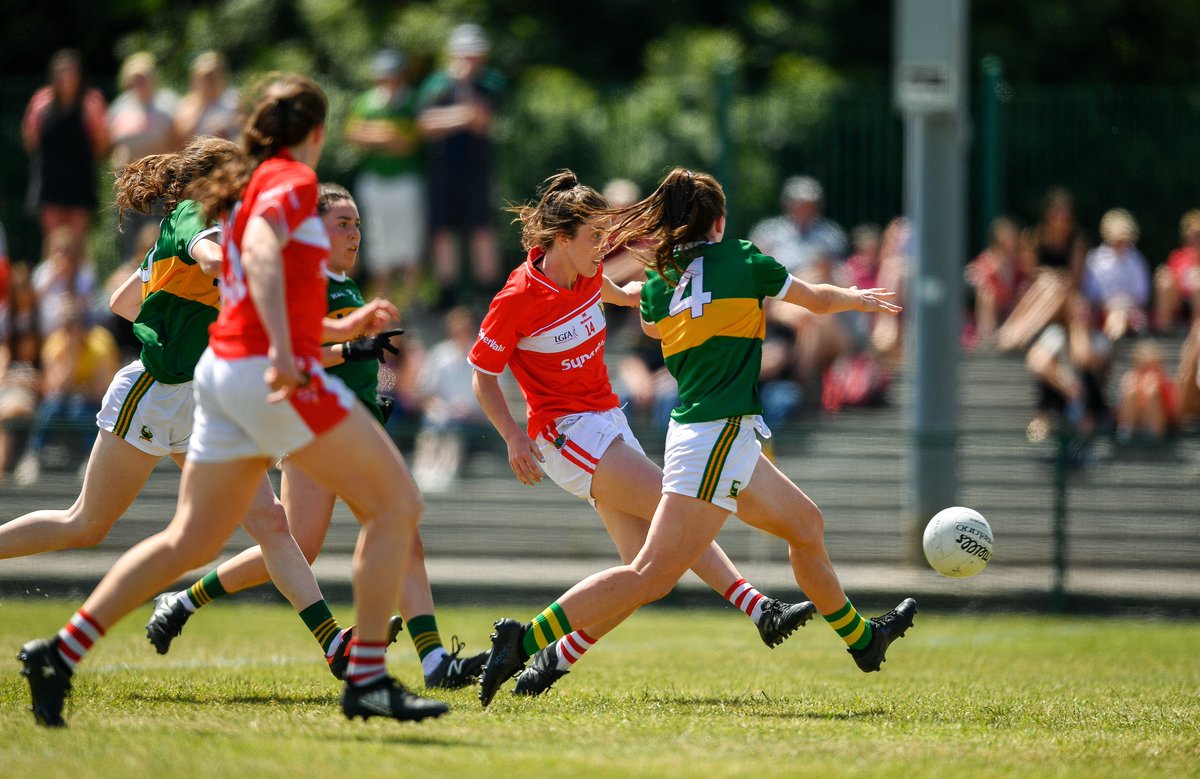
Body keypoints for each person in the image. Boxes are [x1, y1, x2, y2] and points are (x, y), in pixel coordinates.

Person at [17, 75, 448, 727]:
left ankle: (59, 651)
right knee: (396, 504)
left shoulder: (253, 191)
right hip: (244, 375)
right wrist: (289, 347)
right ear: (316, 133)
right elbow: (256, 273)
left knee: (194, 540)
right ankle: (365, 676)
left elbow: (250, 287)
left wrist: (334, 330)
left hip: (219, 375)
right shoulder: (290, 183)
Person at [478, 168, 916, 706]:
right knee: (650, 574)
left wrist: (667, 285)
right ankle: (525, 640)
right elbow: (814, 300)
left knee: (805, 526)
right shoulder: (741, 260)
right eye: (594, 236)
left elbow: (648, 319)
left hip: (693, 430)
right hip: (658, 434)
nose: (603, 246)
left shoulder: (651, 282)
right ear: (720, 221)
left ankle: (862, 640)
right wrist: (857, 299)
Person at [145, 184, 487, 690]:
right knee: (375, 530)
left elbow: (346, 357)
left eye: (357, 224)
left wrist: (373, 389)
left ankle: (183, 601)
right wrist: (351, 351)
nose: (354, 233)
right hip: (314, 426)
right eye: (341, 223)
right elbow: (293, 350)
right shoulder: (305, 280)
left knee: (315, 545)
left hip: (344, 427)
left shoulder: (345, 285)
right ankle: (425, 662)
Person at [418, 23, 505, 307]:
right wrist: (463, 115)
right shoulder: (435, 83)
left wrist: (463, 87)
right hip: (442, 167)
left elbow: (482, 119)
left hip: (477, 168)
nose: (471, 61)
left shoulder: (490, 82)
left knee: (482, 228)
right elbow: (425, 124)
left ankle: (488, 290)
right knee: (443, 229)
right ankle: (447, 293)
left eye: (475, 55)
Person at [345, 49, 425, 305]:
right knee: (378, 241)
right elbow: (353, 133)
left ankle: (410, 300)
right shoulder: (367, 101)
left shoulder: (412, 102)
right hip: (375, 182)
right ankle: (382, 298)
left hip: (405, 181)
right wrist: (389, 134)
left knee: (410, 242)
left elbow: (408, 142)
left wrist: (375, 135)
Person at [12, 297, 117, 484]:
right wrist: (72, 353)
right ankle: (34, 456)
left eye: (75, 320)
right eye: (66, 321)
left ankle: (91, 459)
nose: (70, 326)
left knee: (82, 410)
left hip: (92, 401)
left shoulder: (101, 342)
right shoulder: (55, 343)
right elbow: (56, 388)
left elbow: (100, 390)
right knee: (51, 408)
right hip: (66, 399)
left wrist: (80, 389)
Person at [21, 49, 110, 245]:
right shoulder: (41, 101)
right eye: (61, 71)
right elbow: (30, 140)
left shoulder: (91, 102)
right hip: (50, 181)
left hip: (80, 181)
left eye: (71, 71)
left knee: (77, 243)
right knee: (53, 242)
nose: (66, 77)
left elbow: (102, 145)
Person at [996, 187, 1088, 352]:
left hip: (1067, 297)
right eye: (1056, 214)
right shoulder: (1036, 237)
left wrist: (1054, 277)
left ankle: (1017, 333)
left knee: (1053, 285)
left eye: (1064, 215)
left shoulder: (1076, 241)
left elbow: (1075, 280)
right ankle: (1017, 332)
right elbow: (1030, 273)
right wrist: (1048, 276)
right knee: (1048, 284)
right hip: (1042, 292)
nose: (1060, 220)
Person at [108, 51, 181, 258]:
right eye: (134, 78)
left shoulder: (167, 106)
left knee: (158, 234)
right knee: (130, 240)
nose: (138, 83)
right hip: (129, 183)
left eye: (143, 77)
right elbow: (112, 143)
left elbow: (178, 143)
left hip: (159, 184)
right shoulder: (120, 107)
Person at [411, 306, 488, 492]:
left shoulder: (484, 355)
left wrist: (471, 409)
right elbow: (426, 393)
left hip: (474, 418)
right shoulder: (439, 355)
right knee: (434, 427)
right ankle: (424, 471)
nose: (460, 334)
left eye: (464, 329)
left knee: (452, 429)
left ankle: (448, 472)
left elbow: (495, 394)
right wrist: (442, 407)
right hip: (442, 417)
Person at [748, 175, 847, 280]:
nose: (804, 209)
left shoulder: (830, 233)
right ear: (788, 204)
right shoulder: (768, 230)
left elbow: (836, 267)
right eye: (799, 204)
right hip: (777, 281)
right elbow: (755, 259)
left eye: (809, 204)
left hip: (816, 283)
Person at [1081, 208, 1149, 342]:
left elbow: (1141, 295)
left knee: (1120, 313)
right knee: (1117, 314)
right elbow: (1090, 293)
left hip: (1131, 312)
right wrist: (1111, 303)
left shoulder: (1136, 260)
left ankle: (1109, 341)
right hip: (1102, 311)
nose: (1121, 243)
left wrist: (1122, 303)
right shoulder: (1095, 260)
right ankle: (1112, 338)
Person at [965, 216, 1028, 346]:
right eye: (1006, 240)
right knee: (987, 295)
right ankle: (988, 338)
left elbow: (1023, 284)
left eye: (1012, 239)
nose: (1009, 244)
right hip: (992, 308)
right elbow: (973, 277)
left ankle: (1010, 336)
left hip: (1010, 310)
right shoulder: (986, 260)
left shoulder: (1018, 264)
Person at [1115, 340, 1178, 445]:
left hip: (1159, 426)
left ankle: (1152, 434)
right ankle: (1128, 432)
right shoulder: (1130, 381)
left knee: (1152, 392)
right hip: (1134, 421)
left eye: (1153, 368)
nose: (1148, 373)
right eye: (1144, 368)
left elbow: (1173, 413)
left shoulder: (1165, 383)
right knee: (1131, 392)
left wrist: (1153, 391)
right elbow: (1118, 413)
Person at [173, 51, 241, 143]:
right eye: (204, 79)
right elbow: (179, 140)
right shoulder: (187, 106)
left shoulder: (234, 101)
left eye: (212, 78)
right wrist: (201, 106)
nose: (208, 84)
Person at [1154, 210, 1200, 334]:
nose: (1194, 239)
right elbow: (1173, 280)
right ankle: (1164, 329)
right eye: (1191, 235)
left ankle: (1197, 330)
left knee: (1198, 284)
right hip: (1181, 299)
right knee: (1163, 280)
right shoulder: (1177, 256)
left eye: (1198, 234)